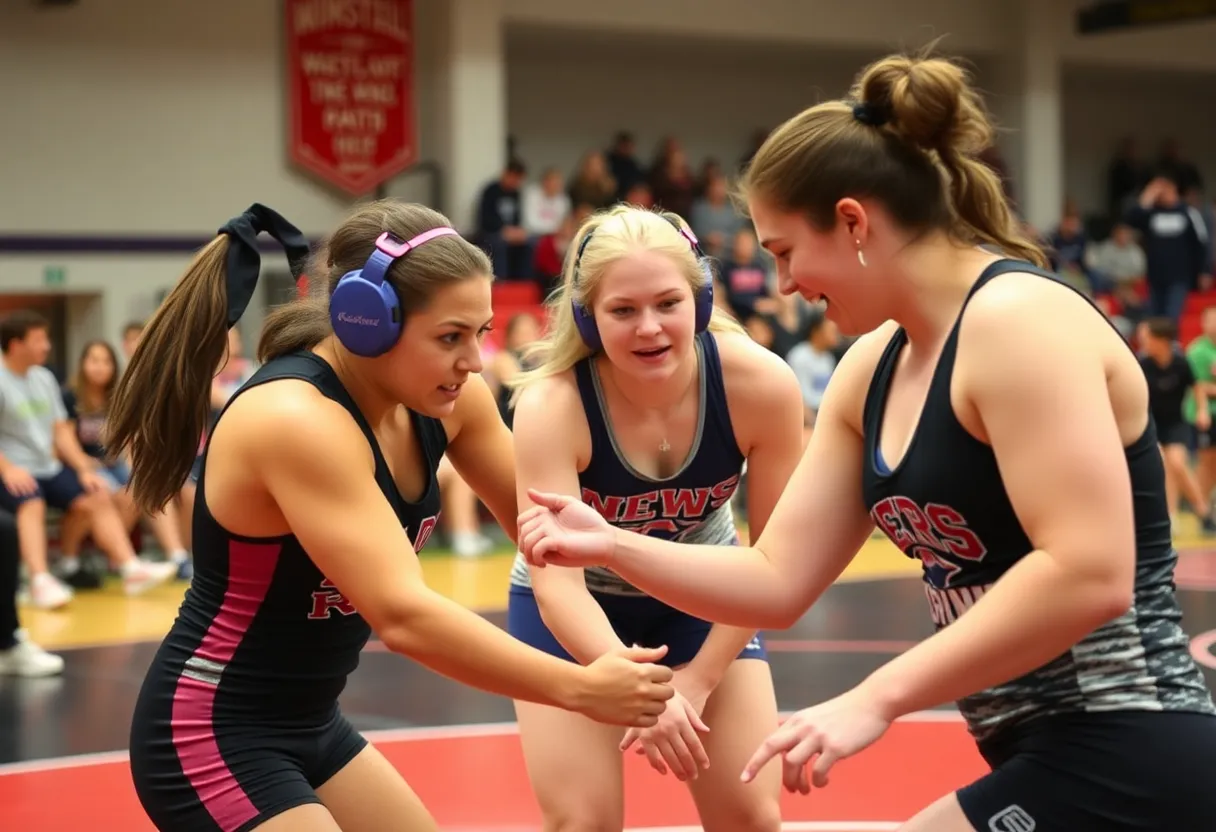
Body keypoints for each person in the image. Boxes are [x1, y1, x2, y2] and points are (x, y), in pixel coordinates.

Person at [516, 52, 1216, 832]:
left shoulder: (1017, 323)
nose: (783, 284)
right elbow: (777, 578)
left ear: (853, 222)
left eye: (784, 252)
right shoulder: (870, 369)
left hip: (1131, 745)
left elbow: (1090, 573)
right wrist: (612, 545)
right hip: (1037, 752)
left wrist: (876, 696)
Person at [108, 201, 676, 832]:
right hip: (210, 734)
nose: (474, 361)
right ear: (366, 324)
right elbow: (404, 617)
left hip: (313, 725)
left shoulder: (452, 401)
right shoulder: (296, 420)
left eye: (482, 333)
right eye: (450, 337)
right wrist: (580, 688)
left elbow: (556, 535)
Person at [506, 205, 804, 831]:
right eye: (623, 310)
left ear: (701, 299)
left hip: (705, 599)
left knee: (752, 817)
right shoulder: (552, 405)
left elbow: (775, 563)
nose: (649, 328)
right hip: (578, 610)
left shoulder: (759, 385)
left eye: (668, 303)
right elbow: (559, 586)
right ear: (587, 317)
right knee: (583, 824)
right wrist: (638, 685)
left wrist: (699, 678)